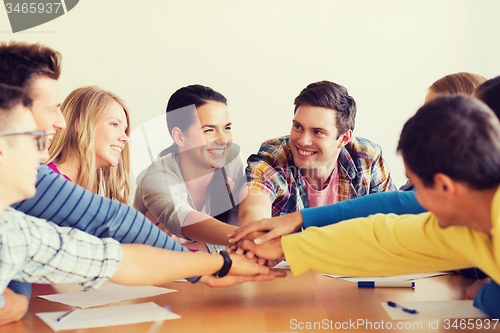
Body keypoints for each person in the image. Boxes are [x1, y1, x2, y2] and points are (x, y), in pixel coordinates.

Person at [0, 41, 263, 325]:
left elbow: (104, 257)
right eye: (51, 110)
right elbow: (118, 223)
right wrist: (220, 260)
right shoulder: (154, 178)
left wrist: (218, 263)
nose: (59, 123)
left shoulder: (15, 229)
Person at [236, 95, 500, 318]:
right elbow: (383, 237)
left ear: (444, 187)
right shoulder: (465, 225)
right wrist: (286, 246)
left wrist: (488, 297)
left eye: (417, 187)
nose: (413, 197)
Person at [237, 80, 396, 227]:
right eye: (298, 127)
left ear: (343, 139)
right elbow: (253, 210)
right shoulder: (274, 157)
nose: (303, 141)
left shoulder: (367, 158)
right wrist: (254, 234)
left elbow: (395, 219)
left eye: (318, 132)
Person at [134, 85, 246, 252]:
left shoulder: (231, 162)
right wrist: (251, 239)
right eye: (209, 130)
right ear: (179, 136)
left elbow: (241, 220)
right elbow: (185, 221)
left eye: (227, 128)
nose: (223, 139)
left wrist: (205, 248)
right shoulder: (157, 177)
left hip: (209, 270)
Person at [48, 86, 131, 204]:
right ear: (81, 125)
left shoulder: (83, 194)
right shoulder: (51, 184)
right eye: (114, 124)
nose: (125, 138)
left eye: (125, 130)